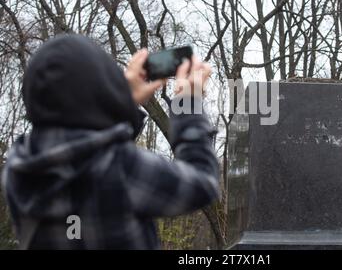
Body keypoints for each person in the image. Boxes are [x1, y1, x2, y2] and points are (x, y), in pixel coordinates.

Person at [1, 34, 219, 249]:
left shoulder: (17, 170)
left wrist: (121, 104)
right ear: (100, 92)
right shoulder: (122, 169)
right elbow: (202, 182)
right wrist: (188, 104)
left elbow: (85, 147)